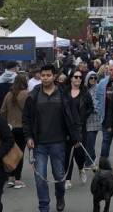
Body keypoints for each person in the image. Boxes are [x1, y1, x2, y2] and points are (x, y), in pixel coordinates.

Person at [22, 64, 81, 212]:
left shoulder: (63, 94)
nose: (45, 78)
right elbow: (26, 118)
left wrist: (76, 136)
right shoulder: (33, 96)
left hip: (59, 142)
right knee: (40, 178)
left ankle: (60, 197)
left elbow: (73, 116)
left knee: (59, 176)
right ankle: (44, 206)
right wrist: (28, 136)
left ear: (54, 76)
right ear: (39, 76)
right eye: (43, 75)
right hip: (39, 143)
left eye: (48, 75)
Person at [64, 69, 94, 189]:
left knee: (79, 153)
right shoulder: (65, 92)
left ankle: (81, 168)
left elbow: (91, 107)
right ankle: (67, 178)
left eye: (80, 77)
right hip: (67, 127)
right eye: (75, 77)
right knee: (67, 154)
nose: (78, 79)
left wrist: (83, 117)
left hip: (81, 127)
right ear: (71, 78)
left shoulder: (85, 92)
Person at [0, 74, 29, 189]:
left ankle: (10, 177)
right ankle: (17, 179)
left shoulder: (9, 95)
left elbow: (2, 111)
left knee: (12, 152)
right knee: (20, 153)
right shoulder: (26, 94)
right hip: (22, 127)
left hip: (10, 127)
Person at [96, 63, 113, 172]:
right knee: (106, 141)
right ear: (107, 71)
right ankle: (103, 163)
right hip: (106, 117)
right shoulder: (102, 83)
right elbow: (97, 98)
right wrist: (98, 110)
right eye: (111, 70)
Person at [84, 71, 102, 169]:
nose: (93, 80)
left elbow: (97, 104)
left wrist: (90, 107)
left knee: (90, 141)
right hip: (84, 119)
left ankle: (88, 161)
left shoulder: (98, 88)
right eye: (91, 78)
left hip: (94, 119)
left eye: (95, 78)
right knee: (87, 141)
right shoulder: (84, 88)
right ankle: (92, 158)